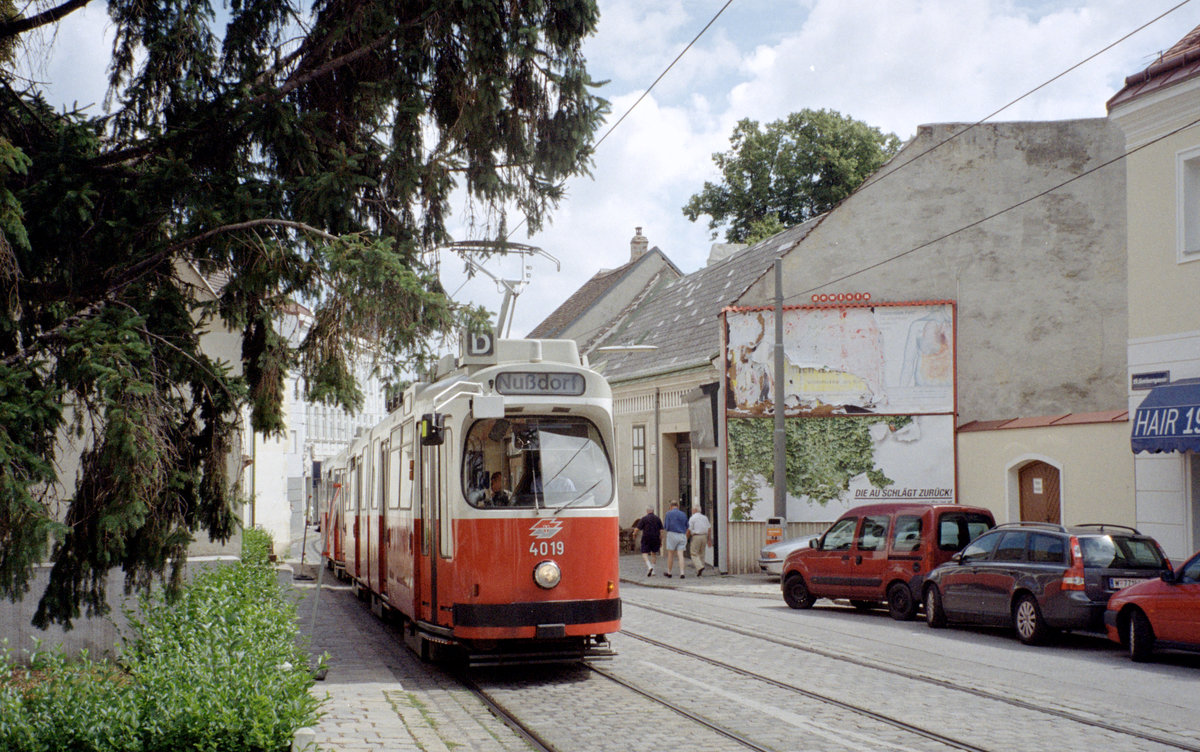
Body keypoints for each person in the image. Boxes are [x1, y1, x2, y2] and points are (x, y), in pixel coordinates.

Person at [632, 507, 663, 576]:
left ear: (647, 511)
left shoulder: (644, 518)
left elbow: (637, 529)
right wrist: (660, 540)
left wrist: (634, 534)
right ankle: (653, 570)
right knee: (654, 553)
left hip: (646, 537)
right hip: (655, 537)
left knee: (644, 553)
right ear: (653, 511)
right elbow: (661, 531)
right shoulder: (658, 519)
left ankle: (649, 566)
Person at [662, 501, 688, 579]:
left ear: (670, 506)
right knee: (681, 554)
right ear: (678, 506)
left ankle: (669, 572)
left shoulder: (668, 514)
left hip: (672, 534)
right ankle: (682, 573)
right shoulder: (683, 514)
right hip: (682, 534)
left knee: (670, 554)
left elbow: (666, 526)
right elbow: (687, 525)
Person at [687, 505, 712, 576]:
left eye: (692, 509)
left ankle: (699, 567)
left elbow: (689, 529)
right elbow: (709, 528)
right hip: (704, 536)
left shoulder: (692, 518)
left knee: (694, 553)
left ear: (695, 510)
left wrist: (686, 538)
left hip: (696, 536)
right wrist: (709, 539)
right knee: (702, 553)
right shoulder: (705, 518)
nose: (691, 511)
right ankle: (700, 569)